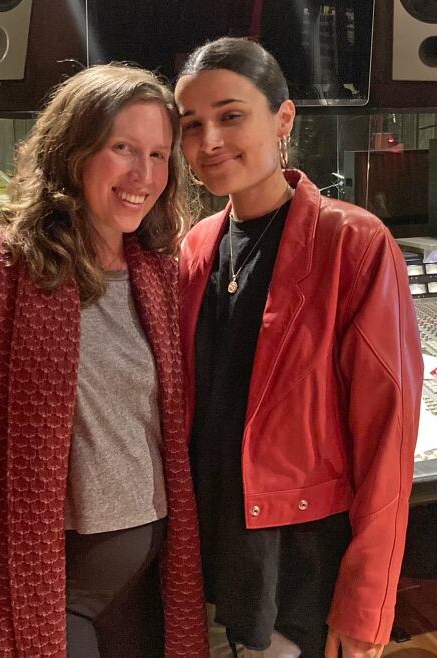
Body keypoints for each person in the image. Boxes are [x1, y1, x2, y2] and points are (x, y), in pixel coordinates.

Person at [0, 64, 209, 658]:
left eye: (160, 155)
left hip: (147, 592)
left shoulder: (160, 277)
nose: (144, 175)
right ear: (72, 151)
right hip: (43, 601)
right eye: (123, 148)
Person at [174, 37, 423, 658]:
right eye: (191, 125)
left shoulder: (354, 243)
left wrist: (367, 601)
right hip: (204, 551)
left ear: (283, 119)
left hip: (296, 567)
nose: (209, 142)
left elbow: (387, 436)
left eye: (231, 116)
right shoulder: (196, 246)